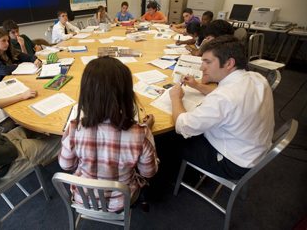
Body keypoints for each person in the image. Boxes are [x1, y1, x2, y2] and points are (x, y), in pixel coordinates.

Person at [59, 57, 159, 212]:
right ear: (127, 95)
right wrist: (148, 132)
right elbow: (149, 172)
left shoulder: (74, 128)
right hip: (122, 201)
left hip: (83, 198)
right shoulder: (140, 133)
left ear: (86, 94)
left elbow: (66, 165)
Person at [169, 35, 274, 180]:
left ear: (229, 63)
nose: (201, 67)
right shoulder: (256, 78)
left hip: (233, 164)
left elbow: (183, 125)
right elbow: (231, 99)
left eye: (207, 62)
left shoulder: (223, 98)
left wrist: (175, 98)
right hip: (254, 151)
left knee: (171, 138)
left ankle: (187, 177)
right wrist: (197, 85)